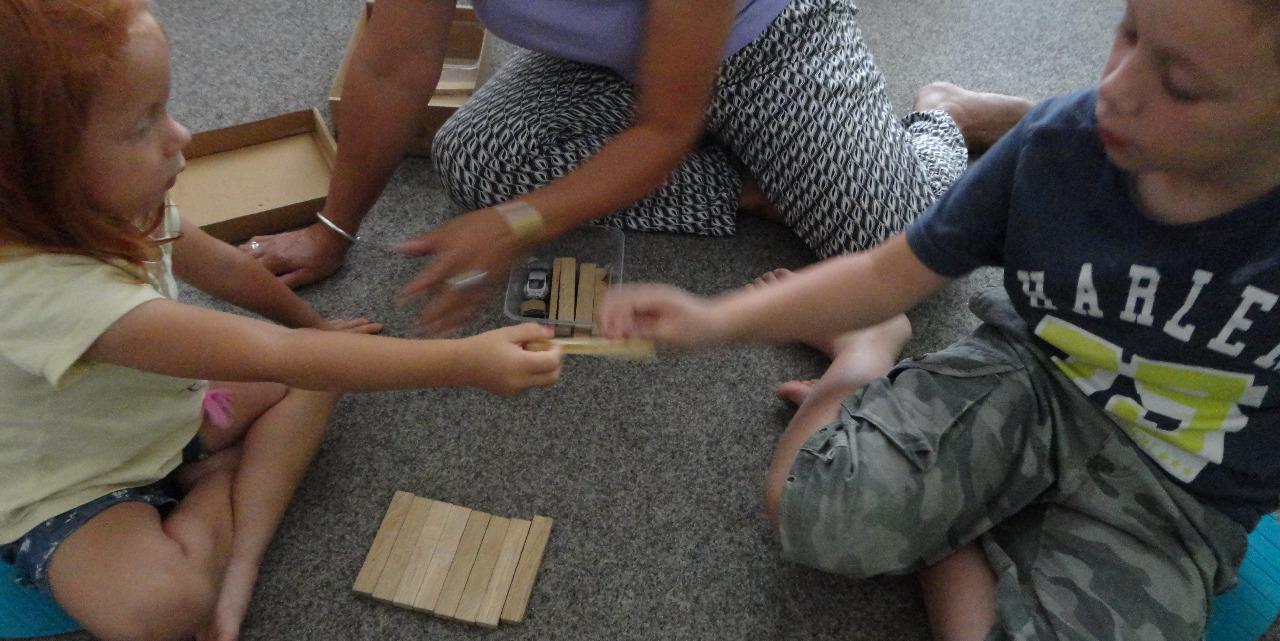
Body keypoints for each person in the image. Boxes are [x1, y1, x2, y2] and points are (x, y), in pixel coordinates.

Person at [598, 0, 1280, 641]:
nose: (1116, 87)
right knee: (814, 510)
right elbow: (884, 272)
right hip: (1035, 380)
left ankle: (961, 517)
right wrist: (717, 319)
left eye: (1181, 84)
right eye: (1129, 33)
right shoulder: (1059, 145)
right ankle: (867, 351)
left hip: (1178, 490)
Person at [0, 0, 561, 641]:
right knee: (159, 607)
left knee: (323, 370)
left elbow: (228, 268)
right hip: (74, 487)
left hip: (164, 415)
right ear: (37, 174)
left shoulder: (116, 206)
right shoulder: (39, 293)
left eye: (165, 109)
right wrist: (465, 361)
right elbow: (275, 355)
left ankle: (238, 560)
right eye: (142, 125)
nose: (180, 135)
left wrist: (316, 327)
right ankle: (219, 493)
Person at [243, 0, 1033, 335]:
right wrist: (332, 229)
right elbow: (389, 69)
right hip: (611, 60)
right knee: (477, 158)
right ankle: (761, 184)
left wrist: (522, 223)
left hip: (767, 42)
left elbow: (665, 126)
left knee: (902, 248)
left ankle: (945, 114)